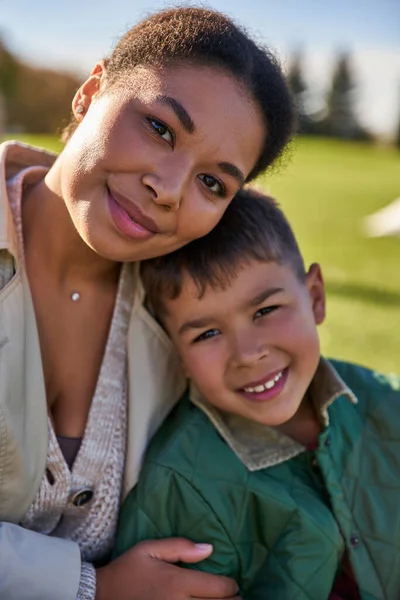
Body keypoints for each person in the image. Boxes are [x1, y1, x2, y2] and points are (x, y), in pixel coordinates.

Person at [0, 7, 295, 600]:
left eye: (213, 183)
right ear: (91, 92)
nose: (169, 189)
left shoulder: (189, 318)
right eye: (161, 129)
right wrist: (88, 585)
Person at [114, 189, 400, 600]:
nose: (248, 355)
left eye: (265, 311)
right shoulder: (182, 485)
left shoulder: (386, 405)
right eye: (207, 333)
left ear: (315, 298)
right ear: (173, 350)